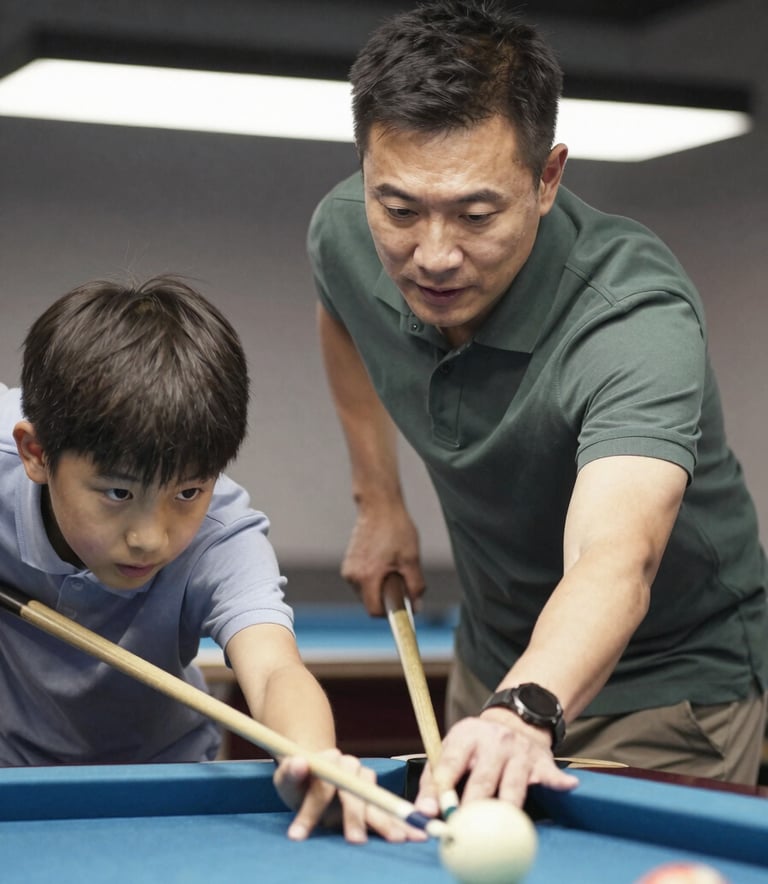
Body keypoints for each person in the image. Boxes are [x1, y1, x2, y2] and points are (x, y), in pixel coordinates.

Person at [308, 0, 768, 815]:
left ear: (547, 178)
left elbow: (616, 555)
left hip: (667, 686)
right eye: (400, 209)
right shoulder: (345, 233)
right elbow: (341, 310)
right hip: (493, 662)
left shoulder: (633, 318)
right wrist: (377, 500)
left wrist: (525, 709)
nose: (433, 255)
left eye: (476, 214)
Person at [0, 276, 416, 844]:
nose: (150, 538)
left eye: (187, 492)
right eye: (118, 493)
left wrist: (313, 754)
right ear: (36, 454)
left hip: (166, 787)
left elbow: (273, 670)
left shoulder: (222, 536)